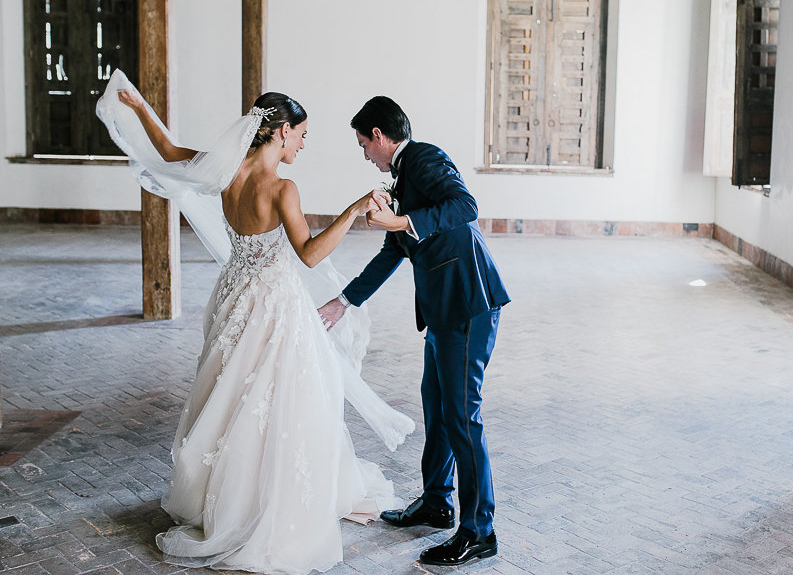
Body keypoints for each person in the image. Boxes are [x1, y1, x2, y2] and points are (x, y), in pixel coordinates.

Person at [95, 71, 415, 575]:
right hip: (273, 304)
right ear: (282, 131)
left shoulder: (226, 171)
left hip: (233, 297)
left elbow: (169, 149)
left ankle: (220, 498)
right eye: (303, 135)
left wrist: (139, 108)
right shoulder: (282, 187)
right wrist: (353, 211)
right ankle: (265, 502)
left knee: (230, 397)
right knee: (287, 398)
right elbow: (309, 255)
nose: (303, 146)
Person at [318, 96, 510, 566]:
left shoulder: (424, 158)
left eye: (364, 144)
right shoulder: (401, 177)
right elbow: (391, 252)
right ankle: (437, 502)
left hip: (467, 303)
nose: (365, 153)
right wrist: (343, 302)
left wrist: (402, 219)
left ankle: (479, 530)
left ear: (381, 137)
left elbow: (465, 205)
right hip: (444, 310)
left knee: (463, 415)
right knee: (437, 406)